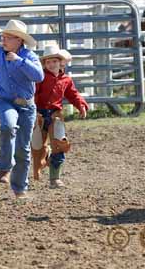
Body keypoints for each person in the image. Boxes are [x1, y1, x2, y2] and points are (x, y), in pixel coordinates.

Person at [0, 19, 44, 199]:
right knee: (8, 126)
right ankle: (5, 167)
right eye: (3, 37)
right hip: (6, 101)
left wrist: (19, 61)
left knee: (23, 148)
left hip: (27, 106)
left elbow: (39, 76)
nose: (3, 41)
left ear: (19, 40)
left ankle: (19, 188)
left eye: (8, 37)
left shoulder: (29, 56)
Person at [31, 44, 88, 188]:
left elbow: (73, 94)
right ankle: (44, 158)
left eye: (54, 61)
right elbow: (34, 94)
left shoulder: (66, 80)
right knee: (37, 145)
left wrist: (81, 105)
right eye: (48, 62)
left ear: (60, 62)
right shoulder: (40, 78)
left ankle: (55, 178)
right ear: (44, 64)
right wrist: (32, 110)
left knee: (60, 143)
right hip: (39, 114)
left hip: (56, 114)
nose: (51, 64)